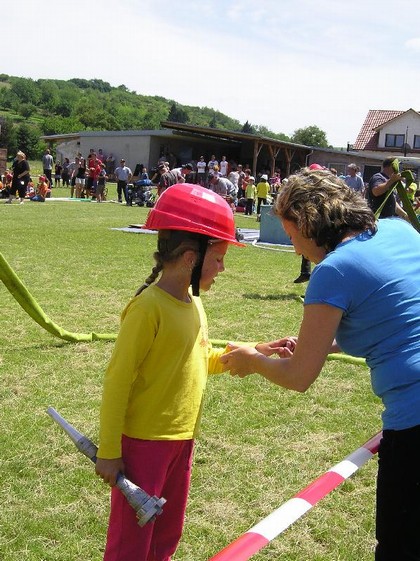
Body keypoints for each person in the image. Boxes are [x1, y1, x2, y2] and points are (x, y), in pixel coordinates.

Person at [220, 167, 420, 561]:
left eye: (293, 237)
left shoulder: (332, 271)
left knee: (402, 548)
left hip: (414, 424)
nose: (295, 249)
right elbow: (395, 311)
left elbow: (298, 378)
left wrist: (253, 361)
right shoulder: (401, 231)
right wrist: (318, 344)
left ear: (309, 223)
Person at [95, 183, 244, 561]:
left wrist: (253, 354)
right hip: (144, 445)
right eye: (220, 258)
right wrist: (110, 451)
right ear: (191, 258)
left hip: (182, 440)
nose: (223, 268)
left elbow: (197, 358)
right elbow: (117, 382)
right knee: (132, 542)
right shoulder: (148, 309)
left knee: (166, 534)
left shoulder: (193, 303)